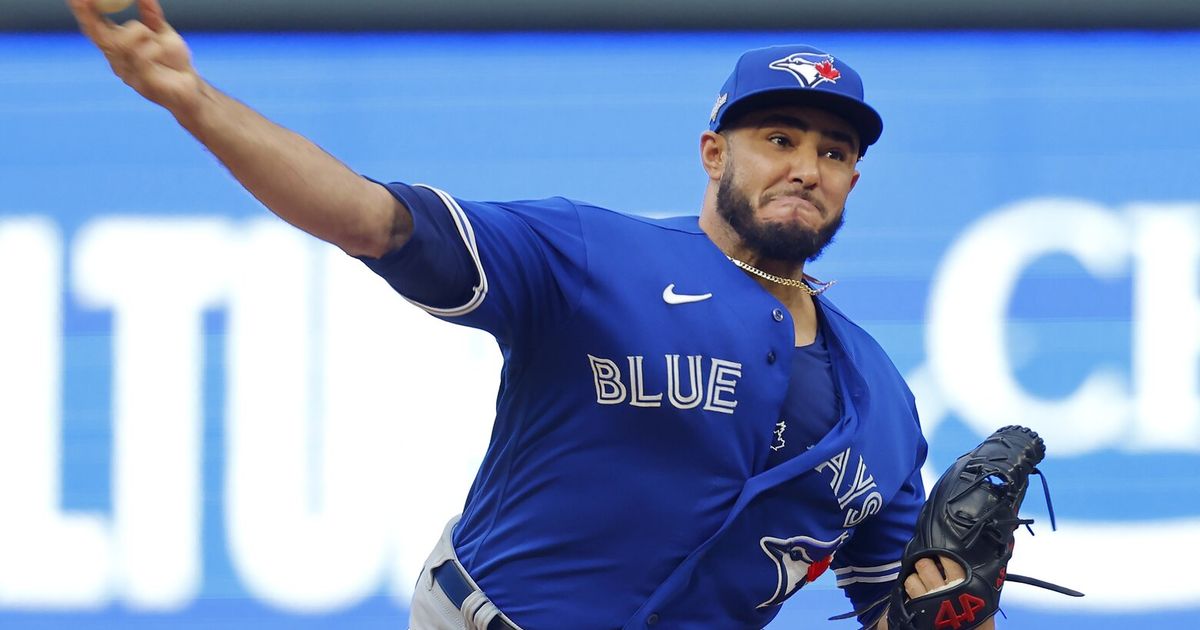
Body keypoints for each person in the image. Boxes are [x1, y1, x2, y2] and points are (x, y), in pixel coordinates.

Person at [68, 1, 996, 628]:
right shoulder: (596, 257)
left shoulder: (882, 403)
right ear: (714, 152)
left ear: (854, 179)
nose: (806, 165)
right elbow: (371, 219)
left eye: (833, 151)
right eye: (778, 138)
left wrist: (957, 605)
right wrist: (191, 99)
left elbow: (902, 604)